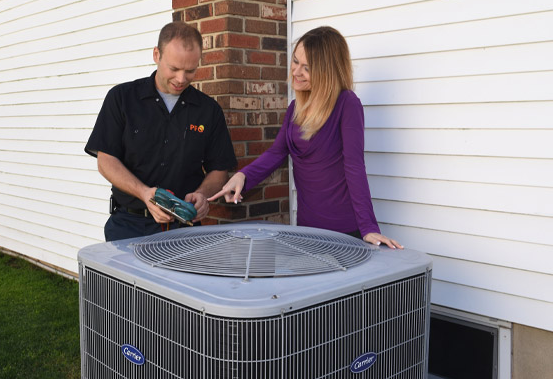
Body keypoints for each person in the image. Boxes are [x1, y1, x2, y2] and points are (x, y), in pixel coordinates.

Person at [208, 26, 402, 249]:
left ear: (326, 71)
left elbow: (354, 167)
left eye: (307, 68)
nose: (296, 71)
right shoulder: (294, 108)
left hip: (344, 230)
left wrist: (369, 228)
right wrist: (243, 176)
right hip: (307, 229)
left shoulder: (347, 104)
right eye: (295, 61)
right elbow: (276, 153)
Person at [85, 21, 237, 241]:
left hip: (184, 229)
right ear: (156, 55)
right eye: (174, 69)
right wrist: (144, 193)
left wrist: (203, 195)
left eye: (190, 70)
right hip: (128, 226)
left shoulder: (209, 110)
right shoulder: (121, 98)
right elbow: (106, 161)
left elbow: (219, 170)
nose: (181, 79)